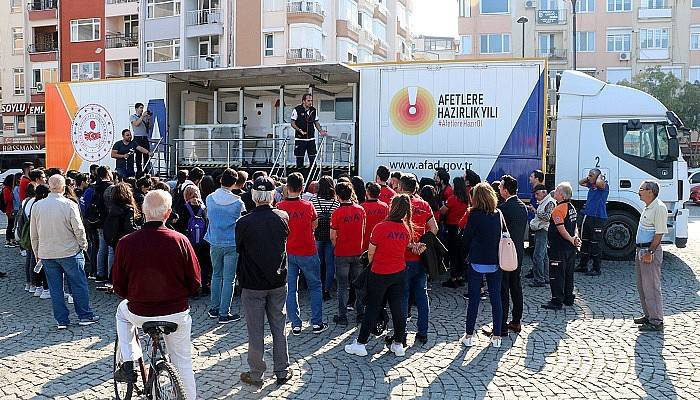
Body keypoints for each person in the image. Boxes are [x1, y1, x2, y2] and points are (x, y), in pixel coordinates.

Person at [112, 190, 201, 400]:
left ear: (142, 212)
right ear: (168, 213)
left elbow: (118, 286)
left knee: (121, 313)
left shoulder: (126, 242)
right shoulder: (180, 240)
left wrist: (136, 296)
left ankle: (129, 360)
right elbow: (195, 282)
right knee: (183, 362)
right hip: (176, 312)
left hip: (139, 311)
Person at [235, 176, 294, 387]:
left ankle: (257, 372)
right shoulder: (283, 217)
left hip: (252, 283)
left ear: (253, 195)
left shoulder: (243, 222)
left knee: (255, 330)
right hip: (277, 280)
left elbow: (239, 248)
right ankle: (282, 369)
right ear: (272, 195)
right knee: (279, 326)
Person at [345, 194, 416, 357]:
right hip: (399, 272)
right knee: (397, 308)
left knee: (373, 307)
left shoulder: (380, 227)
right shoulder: (406, 229)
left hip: (379, 272)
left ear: (392, 207)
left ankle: (361, 343)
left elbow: (371, 254)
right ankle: (398, 343)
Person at [30, 174, 98, 329]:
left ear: (49, 185)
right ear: (64, 187)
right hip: (69, 251)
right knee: (78, 284)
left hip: (47, 253)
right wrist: (84, 245)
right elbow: (79, 229)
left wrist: (37, 252)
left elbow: (34, 234)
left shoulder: (37, 206)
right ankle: (84, 315)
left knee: (55, 288)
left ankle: (62, 320)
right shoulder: (69, 204)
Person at [277, 172, 328, 335]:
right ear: (301, 187)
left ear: (287, 187)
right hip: (307, 250)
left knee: (291, 288)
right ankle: (316, 323)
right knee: (315, 286)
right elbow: (315, 225)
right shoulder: (308, 205)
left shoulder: (280, 207)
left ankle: (295, 324)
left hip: (289, 251)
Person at [460, 182, 504, 348]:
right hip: (495, 260)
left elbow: (466, 238)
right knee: (496, 299)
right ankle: (497, 337)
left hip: (477, 260)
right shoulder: (498, 213)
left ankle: (469, 335)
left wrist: (464, 254)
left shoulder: (474, 215)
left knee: (474, 299)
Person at [399, 173, 437, 344]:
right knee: (422, 296)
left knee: (403, 295)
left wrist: (410, 245)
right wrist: (422, 244)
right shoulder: (424, 204)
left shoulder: (399, 204)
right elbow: (434, 228)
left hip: (403, 257)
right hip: (420, 258)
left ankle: (402, 333)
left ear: (401, 187)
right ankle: (422, 332)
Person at [204, 168, 246, 323]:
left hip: (215, 240)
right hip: (231, 243)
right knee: (229, 278)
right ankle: (224, 312)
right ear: (235, 184)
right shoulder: (238, 202)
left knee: (216, 275)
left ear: (221, 180)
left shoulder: (209, 198)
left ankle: (214, 308)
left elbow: (208, 216)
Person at [492, 175, 527, 336]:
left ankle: (502, 325)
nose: (499, 190)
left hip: (505, 252)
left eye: (500, 188)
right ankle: (516, 321)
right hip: (518, 251)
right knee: (516, 286)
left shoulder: (503, 209)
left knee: (503, 288)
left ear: (505, 190)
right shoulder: (522, 206)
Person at [330, 181, 366, 325]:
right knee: (358, 284)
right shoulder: (360, 210)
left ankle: (342, 315)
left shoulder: (337, 212)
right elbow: (363, 230)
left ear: (338, 196)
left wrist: (337, 246)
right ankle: (360, 313)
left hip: (342, 252)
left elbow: (333, 236)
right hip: (357, 251)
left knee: (342, 286)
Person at [634, 181, 667, 332]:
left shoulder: (659, 207)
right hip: (641, 250)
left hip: (649, 251)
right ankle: (648, 315)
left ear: (650, 191)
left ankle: (656, 321)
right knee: (642, 286)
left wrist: (650, 252)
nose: (639, 192)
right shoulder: (649, 206)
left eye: (641, 189)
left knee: (652, 287)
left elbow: (659, 234)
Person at [542, 182, 581, 310]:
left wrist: (571, 239)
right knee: (568, 273)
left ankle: (556, 300)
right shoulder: (572, 207)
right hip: (570, 249)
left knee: (556, 274)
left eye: (557, 190)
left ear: (562, 195)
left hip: (559, 247)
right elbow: (575, 226)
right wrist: (575, 238)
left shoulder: (558, 209)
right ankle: (568, 297)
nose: (554, 191)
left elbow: (562, 229)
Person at [575, 168, 609, 276]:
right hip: (588, 216)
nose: (588, 177)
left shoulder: (603, 185)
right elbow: (580, 182)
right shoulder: (591, 186)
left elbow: (599, 183)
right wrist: (589, 178)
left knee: (596, 243)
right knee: (585, 241)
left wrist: (599, 176)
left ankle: (596, 268)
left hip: (598, 218)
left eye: (591, 175)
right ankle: (583, 265)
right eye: (588, 175)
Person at [311, 176, 340, 300]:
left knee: (318, 263)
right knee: (330, 264)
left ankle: (317, 288)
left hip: (317, 235)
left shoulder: (313, 200)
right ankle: (327, 290)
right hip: (330, 235)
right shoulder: (336, 202)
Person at [441, 177, 469, 288]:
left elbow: (443, 210)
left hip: (452, 227)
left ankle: (453, 278)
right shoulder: (466, 198)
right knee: (461, 254)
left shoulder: (453, 198)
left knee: (453, 254)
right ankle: (460, 277)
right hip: (462, 228)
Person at [528, 184, 556, 287]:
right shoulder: (546, 201)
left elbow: (548, 217)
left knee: (538, 255)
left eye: (537, 194)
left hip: (543, 230)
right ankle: (546, 277)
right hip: (542, 229)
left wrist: (535, 211)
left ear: (544, 192)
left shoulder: (549, 202)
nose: (536, 196)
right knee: (544, 256)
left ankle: (539, 279)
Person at [290, 93, 327, 169]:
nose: (310, 102)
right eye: (308, 100)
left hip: (311, 138)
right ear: (303, 101)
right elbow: (292, 123)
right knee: (300, 158)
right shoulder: (297, 109)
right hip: (300, 138)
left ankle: (313, 172)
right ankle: (299, 174)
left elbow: (316, 122)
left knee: (312, 157)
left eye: (311, 100)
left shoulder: (313, 110)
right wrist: (299, 130)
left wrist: (320, 131)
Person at [93, 167, 115, 283]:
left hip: (99, 221)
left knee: (102, 248)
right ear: (108, 173)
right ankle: (110, 275)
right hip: (109, 220)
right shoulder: (111, 187)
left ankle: (100, 273)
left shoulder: (95, 186)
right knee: (111, 248)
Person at [361, 182, 389, 252]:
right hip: (381, 243)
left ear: (367, 192)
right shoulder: (385, 206)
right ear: (379, 193)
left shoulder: (362, 207)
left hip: (365, 244)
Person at [130, 102, 152, 176]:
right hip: (137, 137)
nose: (142, 110)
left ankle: (146, 171)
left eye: (142, 108)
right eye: (140, 108)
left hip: (144, 137)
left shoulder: (144, 118)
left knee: (146, 154)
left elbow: (148, 127)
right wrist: (142, 116)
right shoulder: (133, 117)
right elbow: (136, 124)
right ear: (136, 109)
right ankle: (139, 172)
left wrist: (148, 119)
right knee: (138, 155)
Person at [3, 174, 17, 248]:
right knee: (10, 225)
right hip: (9, 209)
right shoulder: (6, 189)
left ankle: (12, 239)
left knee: (12, 224)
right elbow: (8, 199)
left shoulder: (8, 188)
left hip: (10, 209)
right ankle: (8, 241)